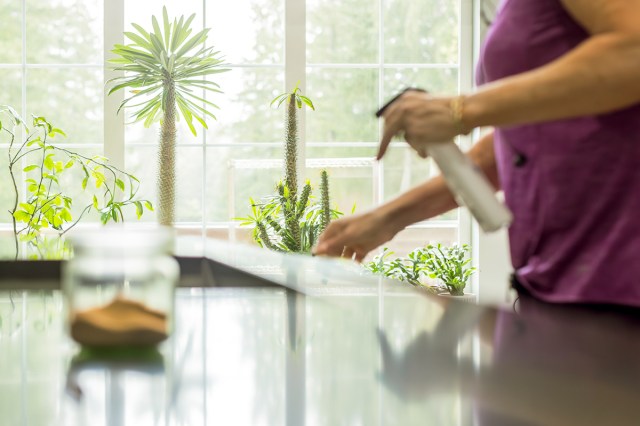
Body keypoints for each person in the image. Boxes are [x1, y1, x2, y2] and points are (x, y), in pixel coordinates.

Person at [314, 0, 640, 306]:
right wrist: (387, 218)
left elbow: (633, 49)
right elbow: (522, 143)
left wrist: (462, 110)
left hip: (620, 277)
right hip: (561, 278)